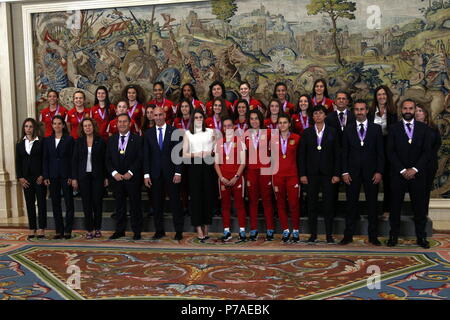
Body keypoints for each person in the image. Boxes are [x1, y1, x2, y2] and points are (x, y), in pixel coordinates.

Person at [386, 99, 431, 249]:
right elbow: (390, 152)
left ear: (414, 110)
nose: (408, 111)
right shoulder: (393, 128)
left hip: (417, 175)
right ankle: (393, 236)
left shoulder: (424, 129)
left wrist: (414, 169)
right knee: (395, 207)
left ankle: (421, 237)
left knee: (419, 208)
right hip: (398, 174)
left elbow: (427, 152)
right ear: (401, 110)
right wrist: (403, 170)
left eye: (410, 109)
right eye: (405, 108)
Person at [340, 100, 384, 246]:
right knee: (351, 205)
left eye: (362, 109)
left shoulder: (376, 129)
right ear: (354, 112)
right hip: (351, 173)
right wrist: (344, 171)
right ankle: (348, 236)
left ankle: (373, 236)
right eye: (357, 110)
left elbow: (380, 153)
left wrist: (379, 171)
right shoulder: (348, 129)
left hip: (372, 173)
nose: (359, 112)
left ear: (366, 111)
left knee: (372, 205)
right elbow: (344, 153)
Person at [299, 105, 340, 243]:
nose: (317, 116)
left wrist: (336, 173)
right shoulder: (307, 132)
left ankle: (329, 235)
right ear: (312, 116)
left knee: (329, 205)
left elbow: (337, 155)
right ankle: (313, 235)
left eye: (320, 113)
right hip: (311, 175)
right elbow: (302, 156)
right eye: (315, 113)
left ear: (325, 115)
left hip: (328, 174)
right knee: (312, 205)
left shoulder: (333, 132)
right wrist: (302, 174)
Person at [143, 107, 184, 241]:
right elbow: (146, 156)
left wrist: (178, 172)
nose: (158, 117)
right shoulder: (148, 133)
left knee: (175, 204)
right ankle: (159, 231)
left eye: (161, 114)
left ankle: (178, 231)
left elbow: (178, 154)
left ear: (165, 115)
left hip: (172, 174)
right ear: (152, 117)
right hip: (155, 175)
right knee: (157, 204)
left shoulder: (174, 131)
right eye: (156, 115)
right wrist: (146, 175)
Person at [106, 113, 143, 240]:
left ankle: (136, 231)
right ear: (116, 124)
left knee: (135, 206)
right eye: (119, 122)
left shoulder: (137, 139)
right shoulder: (111, 140)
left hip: (132, 178)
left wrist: (131, 172)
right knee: (119, 206)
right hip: (117, 179)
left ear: (130, 123)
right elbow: (107, 160)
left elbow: (140, 158)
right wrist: (114, 173)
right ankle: (119, 230)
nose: (122, 124)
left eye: (124, 122)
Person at [71, 118, 108, 239]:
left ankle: (98, 228)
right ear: (82, 128)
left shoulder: (101, 141)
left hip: (97, 176)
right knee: (86, 204)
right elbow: (74, 161)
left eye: (89, 125)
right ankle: (89, 229)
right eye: (85, 126)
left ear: (93, 127)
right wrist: (74, 178)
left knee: (97, 203)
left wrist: (106, 177)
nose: (87, 128)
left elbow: (105, 161)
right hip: (83, 177)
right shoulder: (78, 142)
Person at [182, 109, 215, 242]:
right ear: (193, 119)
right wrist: (197, 154)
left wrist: (211, 152)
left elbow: (216, 149)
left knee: (208, 197)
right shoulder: (188, 133)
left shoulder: (210, 132)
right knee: (196, 198)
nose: (199, 119)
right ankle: (198, 228)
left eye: (201, 117)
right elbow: (184, 155)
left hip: (208, 167)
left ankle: (206, 226)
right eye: (196, 117)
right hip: (194, 167)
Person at [244, 109, 275, 241]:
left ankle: (270, 228)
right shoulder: (245, 135)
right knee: (253, 201)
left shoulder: (268, 133)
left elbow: (274, 152)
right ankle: (254, 229)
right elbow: (243, 156)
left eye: (256, 118)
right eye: (251, 119)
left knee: (267, 200)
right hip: (251, 171)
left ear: (260, 119)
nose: (254, 121)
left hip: (265, 170)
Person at [42, 115, 75, 239]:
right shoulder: (47, 140)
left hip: (66, 175)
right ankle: (58, 230)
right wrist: (46, 175)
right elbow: (45, 159)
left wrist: (72, 175)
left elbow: (73, 159)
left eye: (59, 123)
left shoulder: (69, 139)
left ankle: (68, 230)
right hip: (53, 176)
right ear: (52, 125)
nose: (57, 126)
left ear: (63, 125)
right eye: (54, 123)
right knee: (55, 203)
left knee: (69, 203)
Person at [214, 117, 246, 241]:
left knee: (239, 205)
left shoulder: (240, 142)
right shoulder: (219, 143)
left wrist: (236, 176)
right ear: (223, 128)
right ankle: (226, 231)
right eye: (225, 126)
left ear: (233, 127)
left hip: (237, 178)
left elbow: (243, 162)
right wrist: (221, 177)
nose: (227, 128)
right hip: (223, 179)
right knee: (225, 205)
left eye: (229, 126)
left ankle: (242, 230)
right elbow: (216, 163)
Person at [369, 85, 398, 221]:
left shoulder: (393, 112)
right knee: (372, 182)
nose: (381, 97)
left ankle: (387, 210)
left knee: (388, 182)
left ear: (388, 96)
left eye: (384, 94)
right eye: (379, 94)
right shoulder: (370, 112)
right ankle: (372, 211)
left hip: (387, 149)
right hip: (372, 149)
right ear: (376, 96)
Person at [16, 118, 47, 239]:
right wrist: (20, 177)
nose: (28, 129)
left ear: (34, 128)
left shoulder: (41, 142)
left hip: (39, 177)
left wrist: (43, 175)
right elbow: (18, 162)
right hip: (26, 179)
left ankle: (41, 228)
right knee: (29, 204)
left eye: (30, 126)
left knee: (41, 203)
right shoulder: (19, 143)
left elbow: (45, 159)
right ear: (23, 128)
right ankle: (32, 228)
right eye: (26, 126)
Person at [272, 114, 301, 242]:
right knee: (280, 203)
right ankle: (285, 230)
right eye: (280, 123)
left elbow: (301, 158)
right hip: (278, 175)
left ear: (289, 124)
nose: (282, 125)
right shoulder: (273, 139)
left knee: (294, 204)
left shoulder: (297, 138)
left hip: (292, 175)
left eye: (285, 122)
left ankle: (295, 230)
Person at [415, 104, 442, 216]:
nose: (417, 113)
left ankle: (424, 215)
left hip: (429, 164)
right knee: (416, 191)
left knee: (425, 191)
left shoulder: (433, 128)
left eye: (420, 110)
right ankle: (416, 214)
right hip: (414, 165)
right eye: (416, 110)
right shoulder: (410, 127)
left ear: (425, 113)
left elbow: (437, 144)